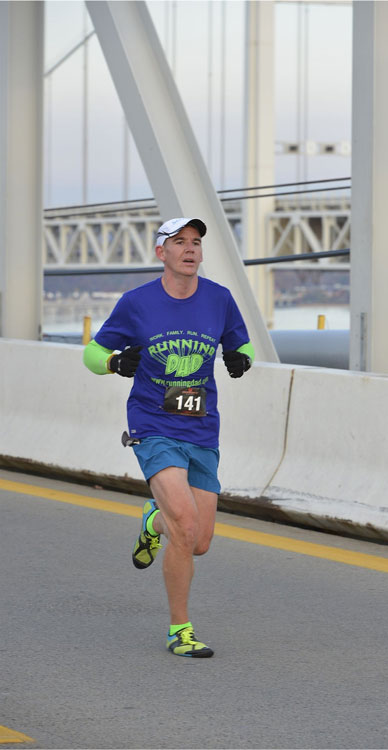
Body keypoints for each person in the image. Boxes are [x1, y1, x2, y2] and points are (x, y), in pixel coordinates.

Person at [83, 217, 254, 658]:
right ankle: (180, 629)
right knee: (185, 523)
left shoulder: (220, 299)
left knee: (198, 541)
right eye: (180, 242)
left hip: (201, 425)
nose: (190, 249)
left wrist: (240, 359)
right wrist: (115, 363)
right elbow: (93, 351)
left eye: (196, 242)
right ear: (162, 253)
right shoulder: (137, 302)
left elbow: (242, 343)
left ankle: (151, 521)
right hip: (152, 423)